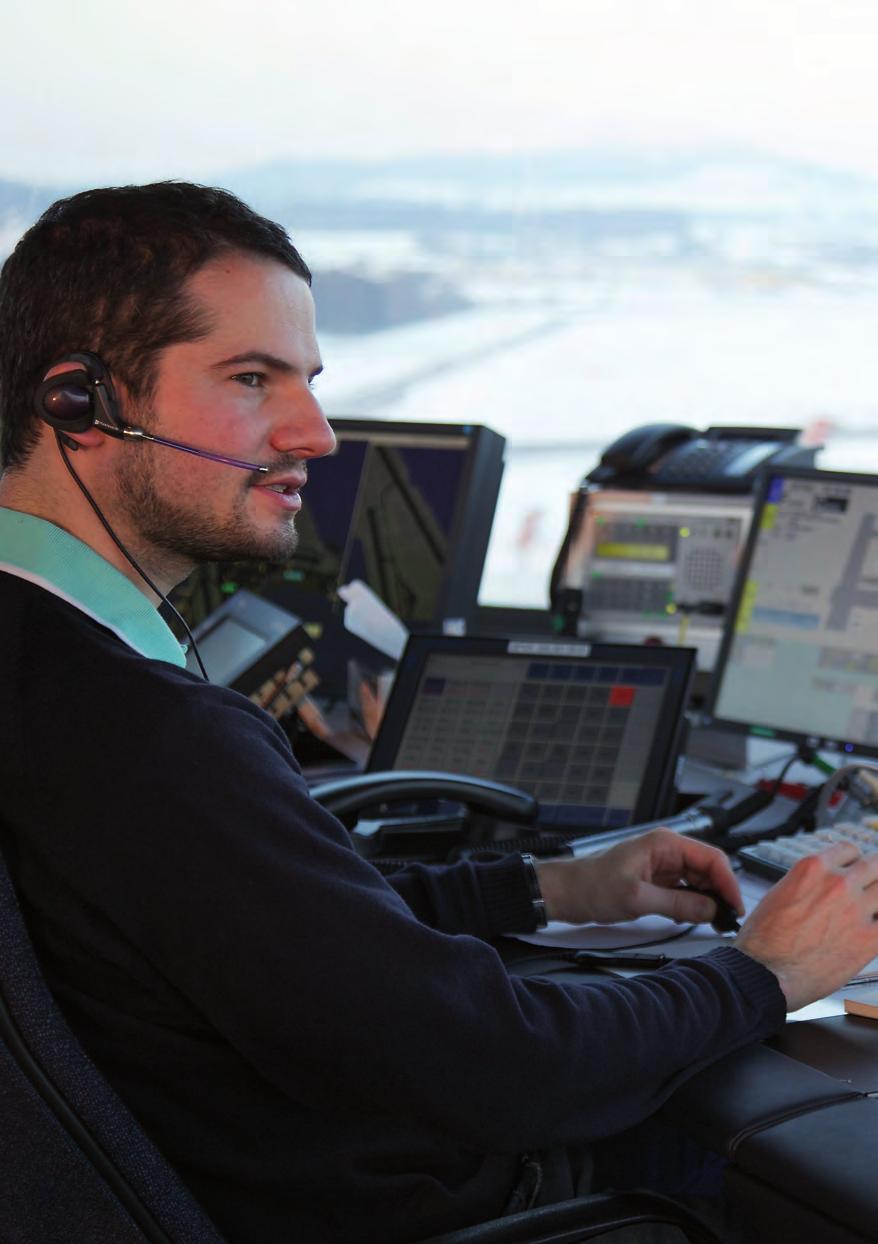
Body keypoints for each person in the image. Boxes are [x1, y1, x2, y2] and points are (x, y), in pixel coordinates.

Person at [1, 182, 877, 1244]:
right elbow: (501, 1066)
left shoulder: (48, 667)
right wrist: (764, 970)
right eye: (250, 378)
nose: (315, 432)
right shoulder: (144, 732)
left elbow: (283, 934)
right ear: (77, 405)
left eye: (308, 381)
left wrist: (544, 884)